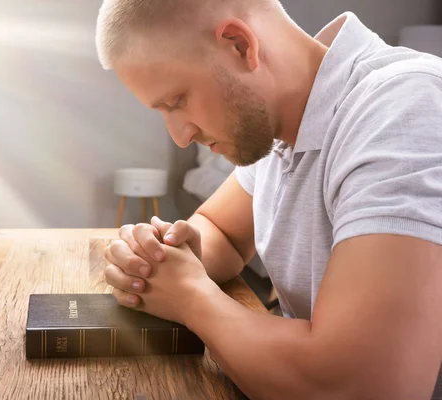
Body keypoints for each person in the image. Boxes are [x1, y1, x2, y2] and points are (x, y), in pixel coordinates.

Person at [96, 0, 442, 398]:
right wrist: (172, 253)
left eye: (176, 101)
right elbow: (221, 231)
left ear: (240, 44)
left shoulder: (403, 107)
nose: (180, 135)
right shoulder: (278, 127)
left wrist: (190, 297)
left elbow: (363, 385)